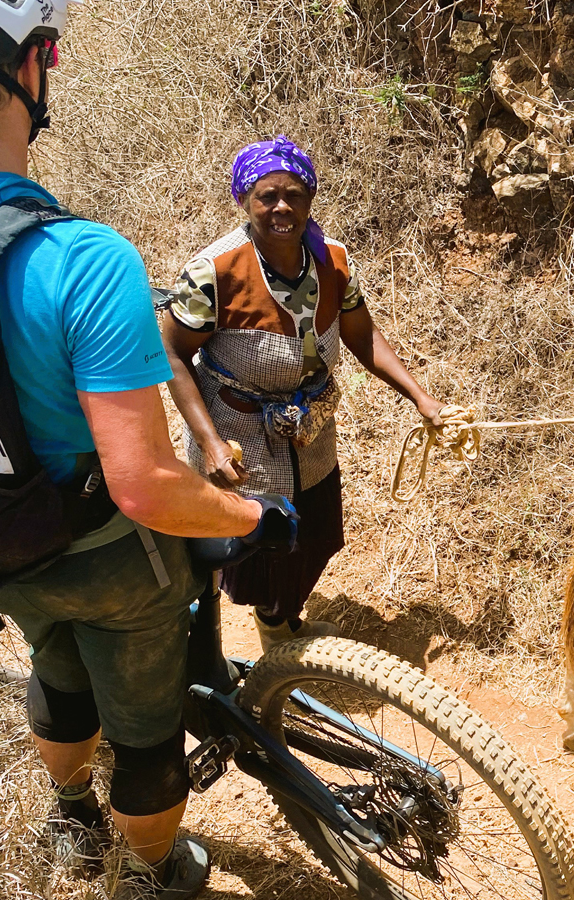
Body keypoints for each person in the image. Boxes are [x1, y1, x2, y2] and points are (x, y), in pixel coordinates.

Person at [0, 3, 294, 897]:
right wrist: (253, 514)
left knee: (55, 659)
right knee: (145, 725)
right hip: (104, 554)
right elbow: (143, 486)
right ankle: (156, 868)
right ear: (30, 64)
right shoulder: (82, 259)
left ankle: (72, 817)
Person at [162, 136, 446, 652]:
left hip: (310, 427)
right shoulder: (214, 272)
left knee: (313, 536)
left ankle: (281, 621)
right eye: (267, 196)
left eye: (294, 194)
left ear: (310, 197)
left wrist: (420, 397)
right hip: (239, 429)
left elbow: (363, 337)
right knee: (255, 544)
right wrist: (210, 444)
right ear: (244, 201)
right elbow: (174, 355)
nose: (282, 208)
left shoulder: (333, 261)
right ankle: (259, 635)